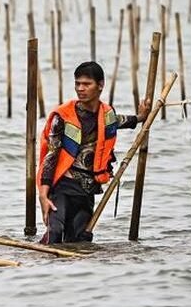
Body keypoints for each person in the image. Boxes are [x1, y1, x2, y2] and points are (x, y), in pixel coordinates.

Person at [38, 62, 149, 244]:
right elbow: (51, 157)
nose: (80, 89)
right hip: (62, 187)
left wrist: (141, 117)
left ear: (100, 85)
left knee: (81, 241)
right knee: (54, 234)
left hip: (86, 190)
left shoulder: (107, 115)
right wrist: (43, 195)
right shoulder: (63, 116)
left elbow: (121, 121)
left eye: (86, 84)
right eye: (77, 84)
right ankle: (41, 268)